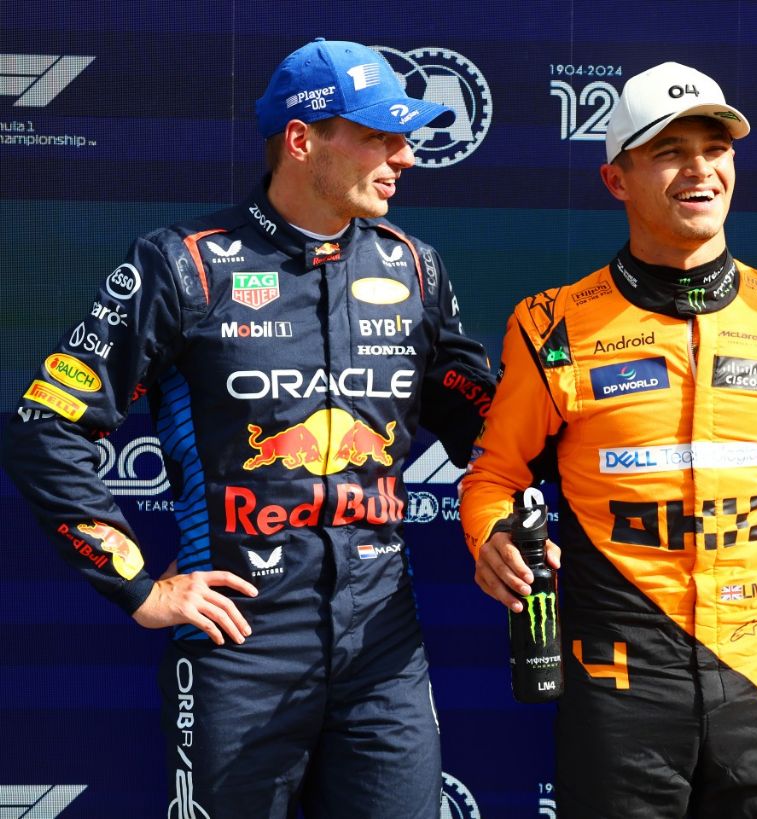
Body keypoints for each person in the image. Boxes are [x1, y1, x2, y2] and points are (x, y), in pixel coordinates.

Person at [2, 38, 495, 819]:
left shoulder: (414, 267)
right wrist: (137, 584)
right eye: (378, 135)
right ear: (303, 140)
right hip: (240, 644)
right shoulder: (184, 264)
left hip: (382, 649)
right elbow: (45, 425)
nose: (404, 155)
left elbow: (487, 423)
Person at [459, 61, 757, 818]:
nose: (699, 168)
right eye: (668, 150)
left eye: (715, 147)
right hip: (621, 685)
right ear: (616, 179)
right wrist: (491, 534)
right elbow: (495, 475)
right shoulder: (553, 325)